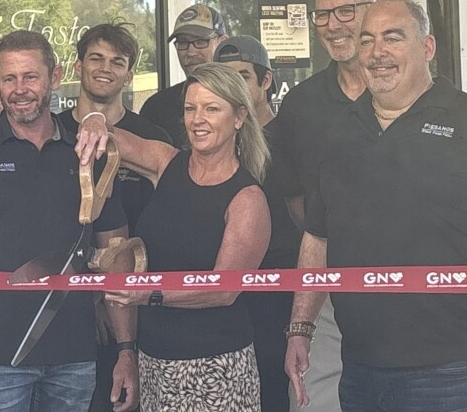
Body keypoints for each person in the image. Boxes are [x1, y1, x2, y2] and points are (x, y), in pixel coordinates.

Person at [284, 0, 467, 411]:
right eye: (367, 41)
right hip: (360, 365)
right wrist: (300, 328)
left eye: (393, 38)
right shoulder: (338, 134)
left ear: (427, 48)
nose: (377, 53)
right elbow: (318, 238)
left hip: (454, 370)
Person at [0, 30, 139, 412]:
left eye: (30, 77)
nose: (19, 89)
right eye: (9, 78)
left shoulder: (88, 151)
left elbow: (116, 253)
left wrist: (126, 350)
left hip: (76, 355)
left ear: (55, 77)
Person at [78, 62, 271, 412]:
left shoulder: (247, 198)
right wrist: (95, 121)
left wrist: (148, 293)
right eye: (190, 108)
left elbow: (223, 290)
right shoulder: (167, 163)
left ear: (239, 117)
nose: (198, 119)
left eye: (212, 109)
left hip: (215, 364)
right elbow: (111, 135)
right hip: (154, 360)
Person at [273, 0, 378, 412]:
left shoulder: (412, 95)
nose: (333, 25)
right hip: (330, 291)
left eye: (345, 11)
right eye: (321, 16)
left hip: (414, 291)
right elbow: (297, 199)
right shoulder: (301, 104)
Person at [57, 22, 170, 412]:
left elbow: (165, 226)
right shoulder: (54, 133)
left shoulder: (152, 137)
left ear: (129, 73)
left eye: (117, 62)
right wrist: (92, 299)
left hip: (140, 301)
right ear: (77, 66)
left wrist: (122, 300)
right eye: (96, 58)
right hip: (69, 308)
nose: (105, 68)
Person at [214, 36, 301, 411]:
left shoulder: (291, 139)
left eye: (244, 77)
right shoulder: (213, 142)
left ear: (266, 81)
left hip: (279, 289)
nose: (237, 88)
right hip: (227, 295)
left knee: (275, 388)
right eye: (226, 80)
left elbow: (307, 220)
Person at [139, 4, 228, 148]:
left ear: (222, 43)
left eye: (200, 41)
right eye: (183, 43)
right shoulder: (157, 107)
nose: (190, 52)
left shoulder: (240, 99)